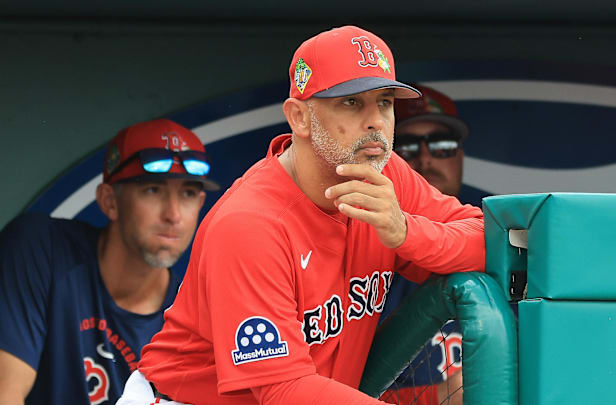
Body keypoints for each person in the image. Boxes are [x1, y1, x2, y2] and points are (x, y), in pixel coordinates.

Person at [117, 25, 485, 405]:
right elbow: (283, 390)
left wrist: (407, 231)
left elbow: (486, 239)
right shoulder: (250, 223)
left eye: (386, 102)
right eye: (351, 103)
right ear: (300, 118)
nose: (376, 121)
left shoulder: (385, 175)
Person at [0, 118, 219, 405]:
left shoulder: (192, 322)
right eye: (153, 189)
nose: (174, 215)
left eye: (188, 193)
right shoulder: (41, 248)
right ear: (109, 201)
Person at [379, 84, 470, 405]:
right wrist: (437, 398)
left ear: (460, 155)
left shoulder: (497, 242)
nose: (426, 159)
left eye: (442, 145)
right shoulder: (368, 249)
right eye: (406, 147)